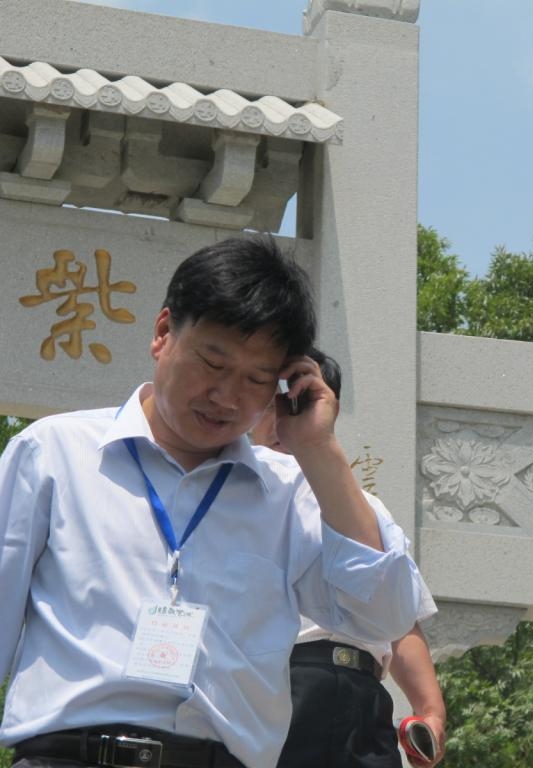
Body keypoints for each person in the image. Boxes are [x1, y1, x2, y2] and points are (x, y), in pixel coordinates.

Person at [0, 236, 423, 768]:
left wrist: (318, 449)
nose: (226, 397)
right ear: (163, 333)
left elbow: (384, 617)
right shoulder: (53, 453)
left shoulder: (290, 492)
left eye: (256, 379)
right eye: (213, 363)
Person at [250, 349, 446, 768]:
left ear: (328, 407)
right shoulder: (233, 492)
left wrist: (430, 711)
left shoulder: (366, 507)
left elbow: (402, 623)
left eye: (302, 401)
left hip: (362, 695)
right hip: (276, 684)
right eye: (273, 402)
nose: (284, 417)